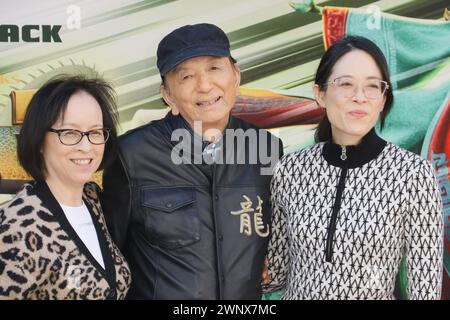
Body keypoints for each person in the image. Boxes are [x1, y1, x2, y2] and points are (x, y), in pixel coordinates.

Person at [102, 23, 282, 299]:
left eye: (214, 68)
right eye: (186, 76)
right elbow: (110, 255)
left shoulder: (267, 148)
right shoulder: (131, 155)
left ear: (236, 75)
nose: (205, 85)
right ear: (168, 95)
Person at [264, 36, 443, 300]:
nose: (360, 97)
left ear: (383, 99)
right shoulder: (289, 170)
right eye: (346, 84)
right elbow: (276, 275)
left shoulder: (413, 174)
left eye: (373, 87)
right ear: (320, 94)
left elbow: (425, 289)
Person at [0, 76, 131, 299]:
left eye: (96, 132)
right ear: (39, 139)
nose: (86, 146)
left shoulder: (94, 202)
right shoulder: (14, 227)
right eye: (70, 133)